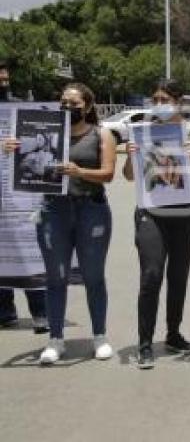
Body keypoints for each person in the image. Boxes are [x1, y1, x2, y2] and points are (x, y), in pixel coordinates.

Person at [3, 83, 117, 364]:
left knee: (93, 276)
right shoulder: (46, 133)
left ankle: (100, 336)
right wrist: (11, 148)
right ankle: (55, 340)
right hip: (54, 210)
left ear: (88, 106)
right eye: (64, 102)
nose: (68, 107)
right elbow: (26, 161)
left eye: (74, 103)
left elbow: (108, 174)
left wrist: (80, 172)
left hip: (92, 209)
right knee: (55, 277)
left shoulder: (101, 134)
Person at [123, 79, 190, 369]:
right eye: (155, 99)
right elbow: (129, 176)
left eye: (164, 99)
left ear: (179, 101)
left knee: (178, 276)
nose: (159, 104)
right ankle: (144, 343)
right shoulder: (142, 132)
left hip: (186, 214)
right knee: (151, 274)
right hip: (152, 212)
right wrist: (132, 153)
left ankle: (173, 334)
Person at [0, 60, 48, 333]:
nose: (4, 76)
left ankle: (41, 312)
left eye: (5, 73)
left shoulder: (21, 107)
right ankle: (5, 312)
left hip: (22, 193)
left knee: (29, 249)